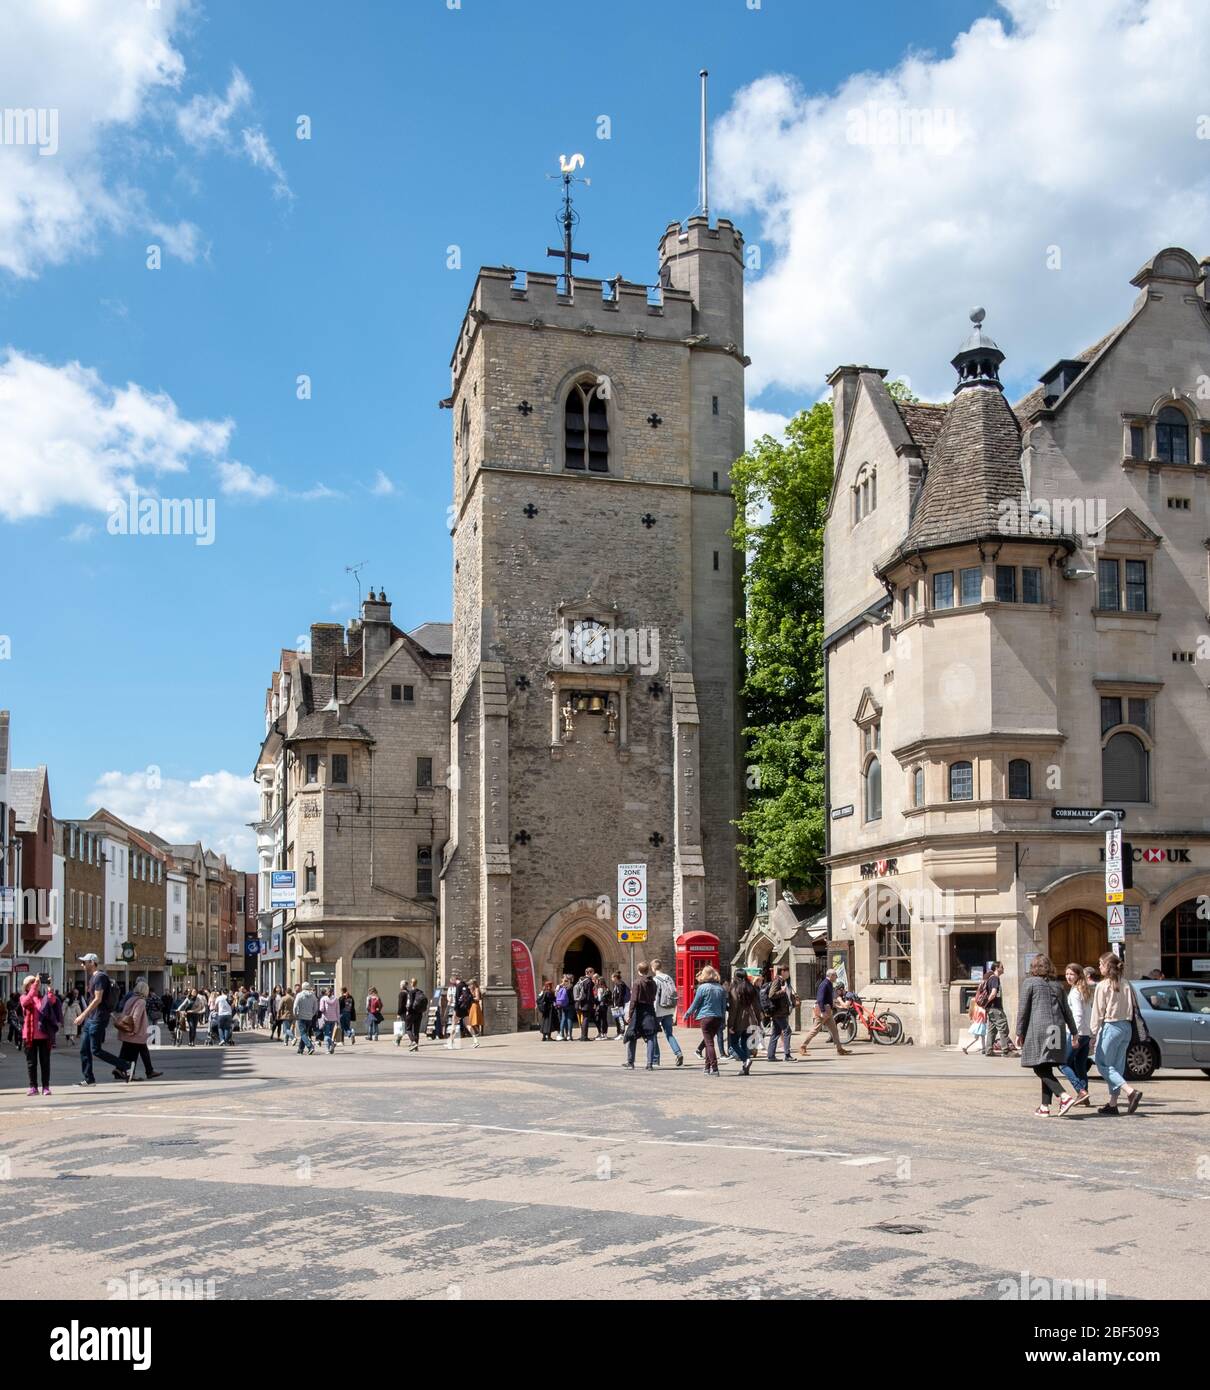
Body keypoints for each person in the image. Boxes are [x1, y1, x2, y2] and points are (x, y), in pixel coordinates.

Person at [1015, 953, 1079, 1117]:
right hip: (1057, 1028)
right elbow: (1067, 1011)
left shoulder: (1029, 983)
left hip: (1040, 1028)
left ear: (1034, 967)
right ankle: (1044, 1106)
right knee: (1047, 1065)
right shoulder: (1057, 985)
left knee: (1039, 1066)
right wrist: (1074, 1032)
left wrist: (1019, 1032)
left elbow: (1023, 1010)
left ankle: (1063, 1096)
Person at [1089, 951, 1143, 1116]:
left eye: (1101, 964)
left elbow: (1097, 1012)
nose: (1099, 967)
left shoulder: (1103, 985)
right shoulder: (1126, 983)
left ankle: (1130, 1091)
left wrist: (1092, 1034)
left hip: (1111, 1026)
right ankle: (1113, 1104)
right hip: (1126, 1027)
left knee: (1102, 1063)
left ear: (1108, 966)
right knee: (1116, 1067)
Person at [75, 953, 130, 1085]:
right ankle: (89, 1079)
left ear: (92, 963)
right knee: (84, 1048)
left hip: (97, 1018)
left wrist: (82, 1015)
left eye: (85, 962)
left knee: (96, 1050)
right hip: (92, 1018)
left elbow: (98, 999)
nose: (82, 964)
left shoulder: (100, 977)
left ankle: (125, 1065)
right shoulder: (93, 978)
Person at [1057, 962, 1093, 1107]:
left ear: (1078, 975)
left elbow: (1077, 1014)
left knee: (1063, 1063)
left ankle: (1080, 1090)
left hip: (1078, 1033)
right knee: (1080, 1065)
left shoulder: (1076, 991)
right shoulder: (1084, 990)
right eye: (1067, 974)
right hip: (1086, 1033)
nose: (1068, 977)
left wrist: (1074, 1035)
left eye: (1072, 974)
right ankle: (1085, 1096)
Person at [683, 965, 727, 1076]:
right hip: (718, 1017)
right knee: (709, 1042)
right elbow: (723, 1006)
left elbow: (695, 1003)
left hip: (706, 1017)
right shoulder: (721, 988)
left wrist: (687, 1014)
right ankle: (707, 1068)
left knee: (709, 1043)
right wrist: (723, 1020)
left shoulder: (702, 988)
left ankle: (715, 1068)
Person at [21, 974, 61, 1095]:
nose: (35, 985)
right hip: (29, 1036)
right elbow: (26, 1003)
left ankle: (46, 1087)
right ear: (27, 986)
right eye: (32, 983)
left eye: (36, 982)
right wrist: (35, 985)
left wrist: (50, 989)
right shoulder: (23, 997)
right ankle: (33, 1087)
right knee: (31, 1063)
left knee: (45, 1062)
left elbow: (52, 1002)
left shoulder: (42, 997)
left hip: (44, 1036)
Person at [115, 980, 162, 1082]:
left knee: (129, 1051)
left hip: (127, 1029)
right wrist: (133, 1031)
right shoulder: (141, 1001)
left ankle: (120, 1069)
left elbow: (124, 1013)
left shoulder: (130, 999)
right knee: (134, 1053)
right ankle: (134, 1073)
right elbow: (136, 1018)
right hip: (136, 1032)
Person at [799, 969, 852, 1057]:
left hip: (828, 1011)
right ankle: (802, 1046)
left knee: (834, 1030)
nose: (836, 977)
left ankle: (839, 1049)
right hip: (822, 1010)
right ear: (831, 976)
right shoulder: (824, 984)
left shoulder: (829, 984)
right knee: (815, 1030)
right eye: (835, 975)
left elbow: (828, 999)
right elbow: (820, 999)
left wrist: (834, 1006)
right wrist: (823, 1011)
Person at [648, 958, 684, 1067]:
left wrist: (652, 1012)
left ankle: (655, 1059)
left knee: (653, 1034)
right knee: (669, 1034)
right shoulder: (668, 978)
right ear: (661, 966)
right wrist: (675, 1011)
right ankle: (678, 1052)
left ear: (653, 968)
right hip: (669, 1009)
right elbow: (674, 993)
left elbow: (654, 998)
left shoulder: (655, 980)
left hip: (658, 1010)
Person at [623, 963, 659, 1070]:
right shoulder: (653, 982)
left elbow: (633, 1000)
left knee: (631, 1035)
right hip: (649, 1009)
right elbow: (654, 996)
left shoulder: (637, 982)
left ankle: (630, 1062)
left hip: (638, 1011)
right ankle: (649, 1064)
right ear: (647, 970)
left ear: (638, 970)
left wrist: (629, 1015)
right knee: (651, 1037)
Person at [727, 970, 762, 1076]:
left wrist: (730, 1024)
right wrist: (758, 1021)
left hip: (739, 1021)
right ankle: (745, 1068)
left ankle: (746, 1059)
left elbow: (734, 1009)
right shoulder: (751, 988)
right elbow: (757, 1006)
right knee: (744, 1043)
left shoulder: (734, 989)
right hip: (751, 1020)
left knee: (733, 1043)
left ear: (736, 977)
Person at [764, 965, 798, 1062]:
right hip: (779, 1012)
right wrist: (782, 991)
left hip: (779, 1012)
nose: (788, 973)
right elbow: (771, 995)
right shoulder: (777, 981)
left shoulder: (782, 981)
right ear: (782, 971)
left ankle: (771, 1056)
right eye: (787, 971)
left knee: (775, 1033)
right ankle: (787, 1055)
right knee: (787, 1031)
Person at [982, 962, 1016, 1056]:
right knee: (1003, 1028)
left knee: (992, 1030)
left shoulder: (991, 978)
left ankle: (988, 1051)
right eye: (1002, 967)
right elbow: (993, 993)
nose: (1003, 968)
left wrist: (986, 1005)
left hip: (991, 1009)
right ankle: (1006, 1051)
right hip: (995, 1008)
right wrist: (986, 1003)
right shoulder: (994, 978)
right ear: (997, 968)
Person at [293, 981, 319, 1054]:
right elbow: (316, 1007)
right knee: (304, 1033)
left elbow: (295, 1006)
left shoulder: (299, 995)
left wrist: (296, 1014)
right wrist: (312, 1014)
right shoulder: (313, 995)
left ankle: (310, 1046)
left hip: (301, 1016)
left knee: (303, 1033)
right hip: (309, 1017)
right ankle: (300, 1049)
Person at [574, 969, 597, 1041]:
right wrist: (593, 1003)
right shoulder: (588, 981)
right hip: (587, 1003)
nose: (593, 974)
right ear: (590, 973)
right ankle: (584, 1036)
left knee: (584, 1018)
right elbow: (590, 994)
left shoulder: (581, 980)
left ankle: (582, 1036)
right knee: (586, 1019)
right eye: (593, 973)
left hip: (581, 1002)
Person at [318, 988, 341, 1053]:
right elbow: (338, 1010)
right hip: (334, 1019)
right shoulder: (336, 999)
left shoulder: (323, 999)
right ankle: (331, 1047)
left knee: (326, 1034)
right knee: (330, 1034)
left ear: (326, 992)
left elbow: (321, 1009)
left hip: (326, 1018)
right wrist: (338, 1020)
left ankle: (329, 1048)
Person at [609, 972, 629, 1038]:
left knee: (620, 1019)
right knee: (617, 1019)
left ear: (615, 977)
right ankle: (618, 1032)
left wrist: (618, 1004)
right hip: (615, 1005)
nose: (611, 979)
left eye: (612, 977)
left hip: (619, 1005)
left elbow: (621, 995)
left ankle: (622, 1033)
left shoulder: (621, 984)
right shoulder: (616, 985)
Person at [554, 975, 574, 1041]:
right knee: (569, 1019)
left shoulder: (561, 987)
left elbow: (556, 994)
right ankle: (569, 1035)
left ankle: (561, 1035)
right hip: (570, 1005)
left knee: (563, 1019)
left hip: (563, 1005)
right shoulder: (571, 987)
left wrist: (562, 984)